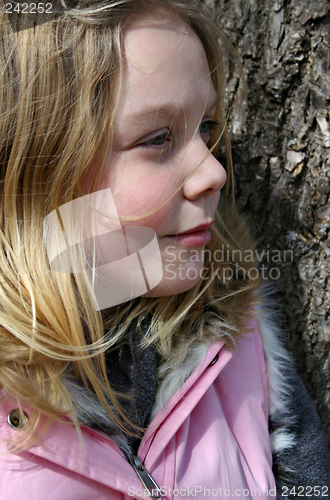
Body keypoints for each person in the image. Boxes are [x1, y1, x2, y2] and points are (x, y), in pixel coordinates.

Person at [0, 0, 329, 498]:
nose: (215, 171)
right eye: (158, 138)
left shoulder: (236, 338)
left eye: (207, 129)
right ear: (35, 172)